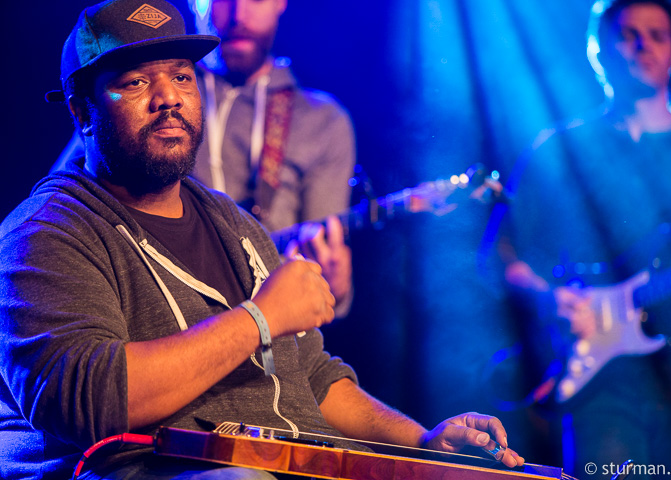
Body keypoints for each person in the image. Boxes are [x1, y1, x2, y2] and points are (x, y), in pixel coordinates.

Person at [0, 1, 524, 478]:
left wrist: (422, 442)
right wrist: (259, 318)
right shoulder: (45, 234)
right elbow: (88, 400)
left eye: (181, 76)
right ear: (81, 111)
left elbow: (314, 375)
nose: (168, 98)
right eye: (136, 82)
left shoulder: (234, 224)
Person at [502, 0, 671, 478]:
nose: (643, 46)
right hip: (601, 385)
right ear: (597, 49)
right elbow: (502, 255)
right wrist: (548, 298)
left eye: (657, 35)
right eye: (628, 35)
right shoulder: (559, 151)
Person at [54, 0, 355, 317]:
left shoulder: (323, 119)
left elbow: (321, 262)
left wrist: (332, 290)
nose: (239, 15)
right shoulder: (142, 98)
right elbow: (64, 206)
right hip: (151, 302)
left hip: (264, 314)